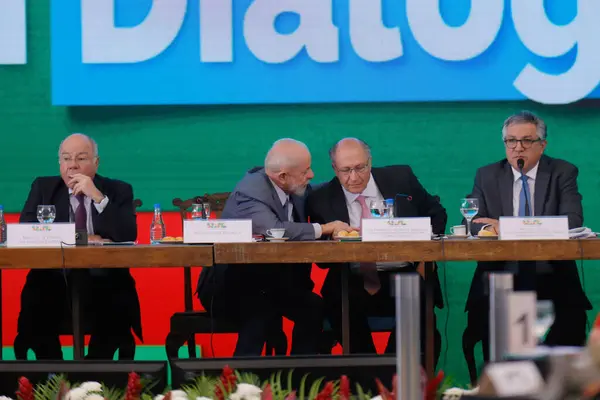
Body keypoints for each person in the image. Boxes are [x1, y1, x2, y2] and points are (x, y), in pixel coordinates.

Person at [462, 111, 591, 381]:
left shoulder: (562, 172)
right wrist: (487, 226)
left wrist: (504, 225)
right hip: (500, 277)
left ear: (542, 145)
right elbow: (472, 220)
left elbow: (572, 220)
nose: (517, 147)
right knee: (496, 348)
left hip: (551, 276)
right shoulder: (487, 175)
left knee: (560, 357)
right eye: (511, 141)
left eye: (526, 141)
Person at [197, 138, 353, 356]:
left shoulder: (294, 185)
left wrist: (348, 175)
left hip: (272, 284)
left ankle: (298, 377)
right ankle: (242, 382)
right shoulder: (251, 191)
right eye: (305, 171)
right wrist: (325, 228)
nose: (311, 175)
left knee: (312, 307)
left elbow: (318, 190)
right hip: (231, 286)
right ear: (282, 177)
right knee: (260, 311)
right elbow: (275, 230)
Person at [306, 138, 446, 364]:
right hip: (350, 276)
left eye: (360, 167)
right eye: (346, 170)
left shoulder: (401, 178)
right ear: (334, 168)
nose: (354, 177)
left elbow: (437, 214)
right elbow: (321, 260)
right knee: (339, 304)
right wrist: (331, 239)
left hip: (403, 272)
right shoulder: (320, 197)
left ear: (370, 162)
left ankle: (397, 376)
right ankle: (369, 378)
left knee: (418, 307)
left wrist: (422, 258)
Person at [14, 133, 143, 360]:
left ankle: (96, 376)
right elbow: (27, 230)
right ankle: (53, 374)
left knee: (117, 295)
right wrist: (80, 237)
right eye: (66, 158)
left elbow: (127, 234)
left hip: (104, 283)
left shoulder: (118, 190)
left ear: (96, 162)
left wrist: (97, 197)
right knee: (37, 295)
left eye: (81, 158)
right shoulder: (44, 188)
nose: (72, 165)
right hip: (55, 282)